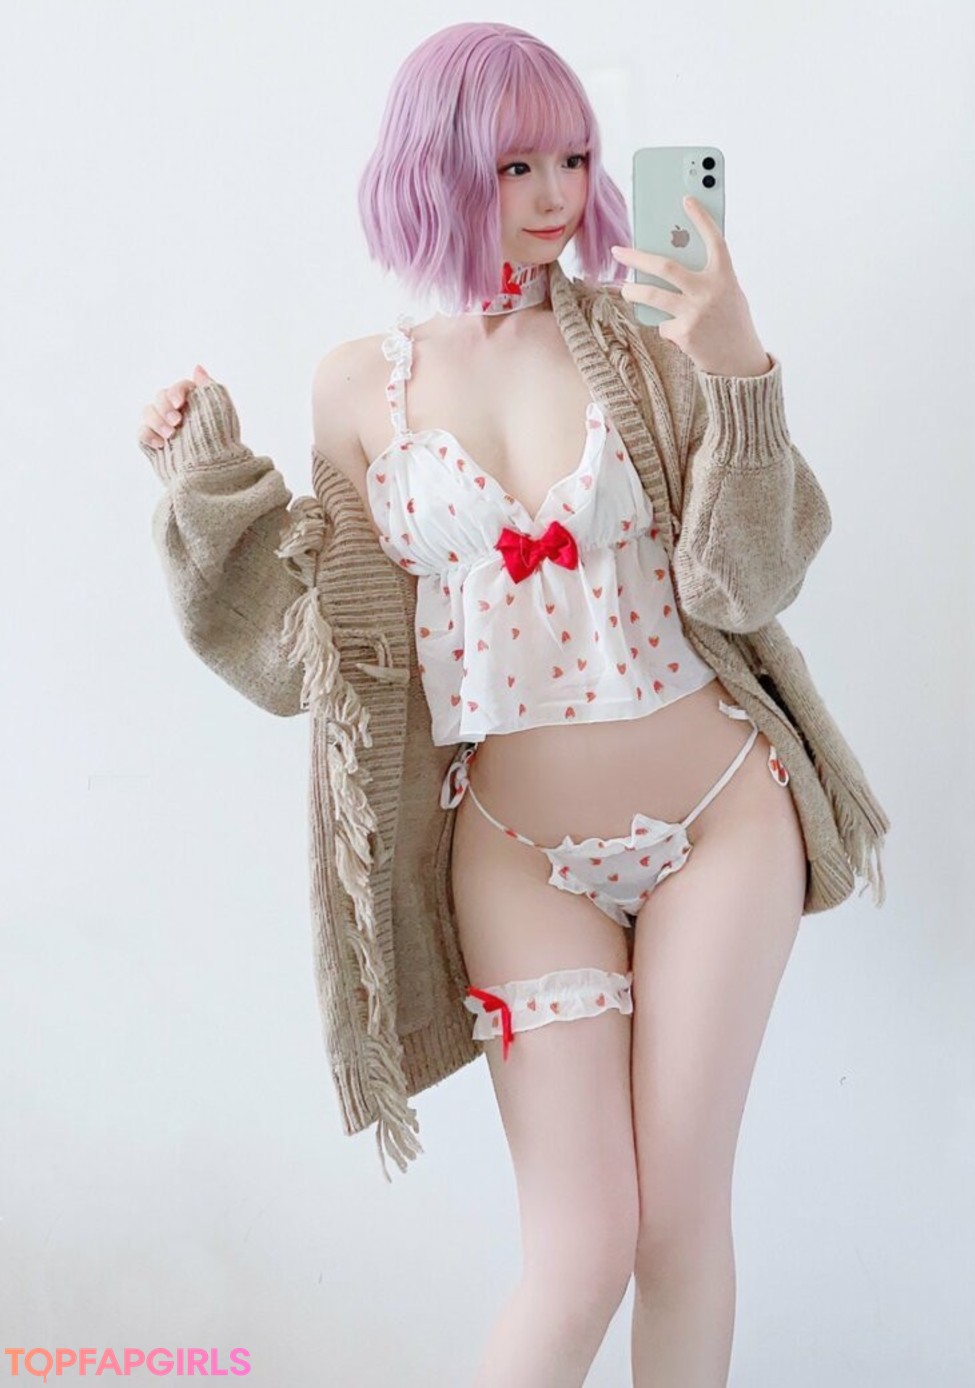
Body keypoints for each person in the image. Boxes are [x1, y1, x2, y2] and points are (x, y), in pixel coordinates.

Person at [137, 21, 889, 1388]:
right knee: (581, 1248)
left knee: (680, 1226)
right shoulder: (357, 386)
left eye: (575, 158)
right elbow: (311, 655)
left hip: (722, 815)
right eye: (515, 164)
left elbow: (749, 578)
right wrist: (207, 478)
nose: (557, 193)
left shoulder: (647, 342)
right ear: (435, 170)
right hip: (516, 852)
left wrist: (736, 364)